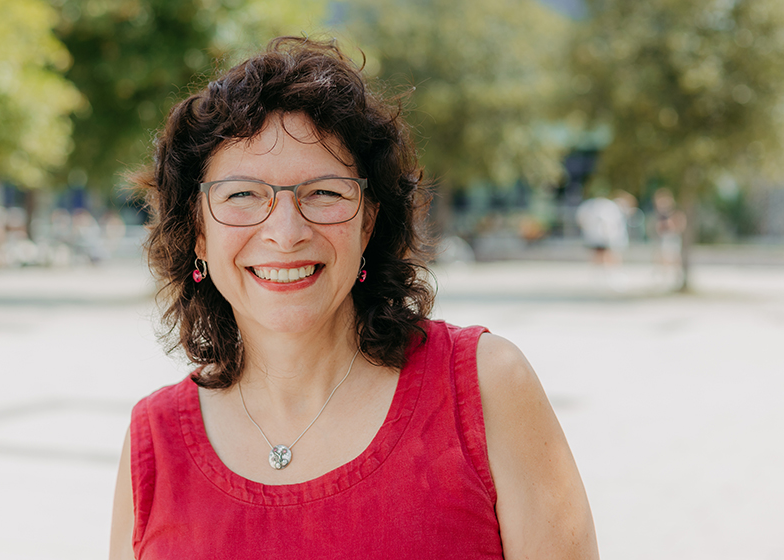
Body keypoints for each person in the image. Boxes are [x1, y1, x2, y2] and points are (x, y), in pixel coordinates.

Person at [110, 37, 597, 559]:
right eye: (242, 195)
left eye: (323, 192)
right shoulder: (153, 444)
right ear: (199, 235)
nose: (285, 231)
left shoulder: (485, 387)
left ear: (368, 222)